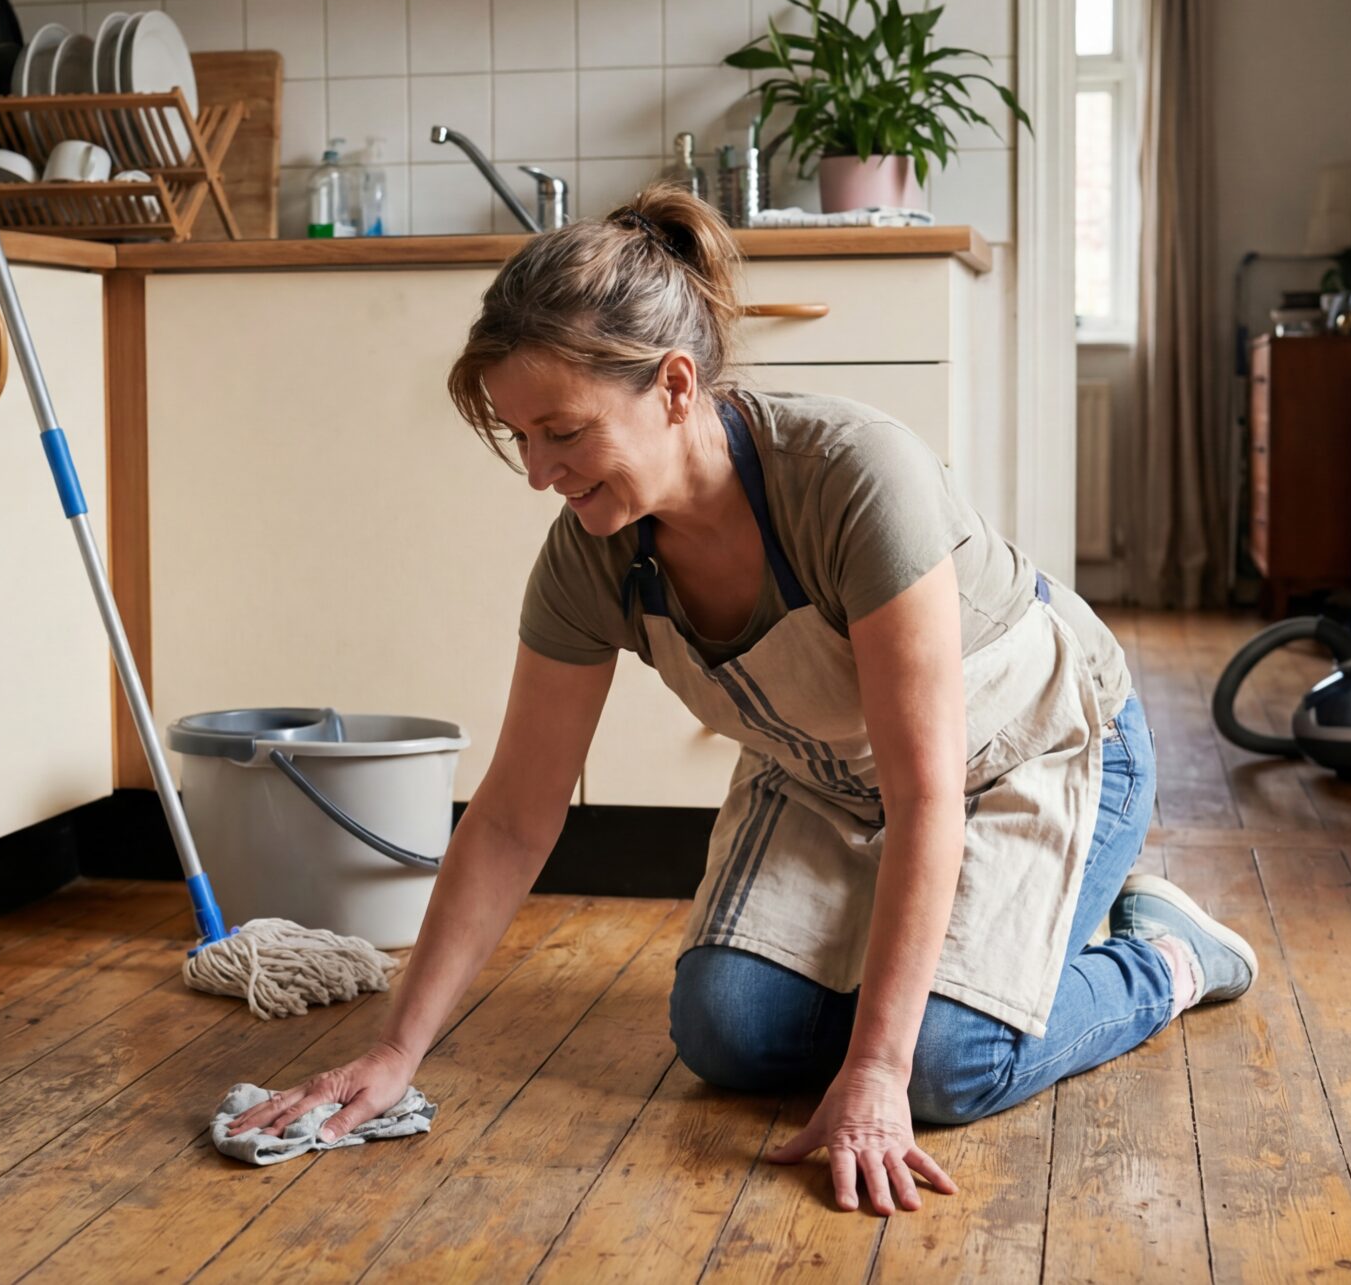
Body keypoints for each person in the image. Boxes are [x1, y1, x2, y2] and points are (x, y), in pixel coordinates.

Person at [225, 187, 1259, 1214]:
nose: (539, 473)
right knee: (727, 1032)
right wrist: (394, 1050)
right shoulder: (590, 558)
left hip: (1028, 749)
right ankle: (972, 961)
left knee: (945, 1064)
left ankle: (1163, 951)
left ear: (674, 386)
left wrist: (877, 1074)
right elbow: (509, 818)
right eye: (521, 439)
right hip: (825, 777)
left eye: (563, 433)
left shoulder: (857, 480)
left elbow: (927, 797)